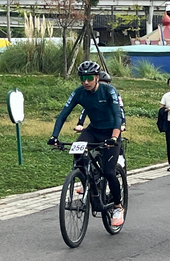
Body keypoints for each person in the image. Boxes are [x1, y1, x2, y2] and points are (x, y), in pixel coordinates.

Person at [49, 60, 125, 227]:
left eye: (89, 78)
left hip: (111, 131)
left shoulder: (109, 91)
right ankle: (86, 181)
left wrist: (114, 137)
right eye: (82, 78)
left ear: (97, 77)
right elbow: (63, 115)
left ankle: (118, 206)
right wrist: (54, 136)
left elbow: (118, 116)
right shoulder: (79, 92)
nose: (85, 82)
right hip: (93, 130)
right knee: (77, 151)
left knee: (109, 172)